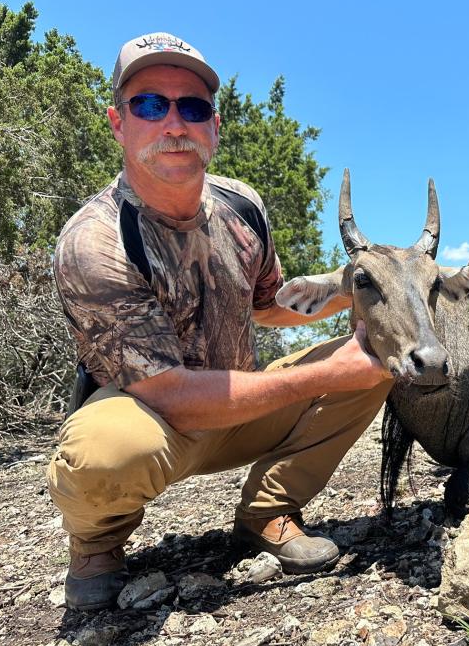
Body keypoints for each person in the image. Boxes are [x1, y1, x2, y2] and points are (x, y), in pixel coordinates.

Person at [49, 32, 392, 611]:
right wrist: (323, 374)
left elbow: (267, 304)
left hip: (239, 408)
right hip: (156, 423)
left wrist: (354, 291)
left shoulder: (243, 206)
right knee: (103, 452)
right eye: (150, 105)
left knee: (379, 359)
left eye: (193, 107)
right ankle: (98, 545)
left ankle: (267, 511)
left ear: (214, 123)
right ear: (117, 122)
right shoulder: (95, 240)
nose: (174, 122)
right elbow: (172, 396)